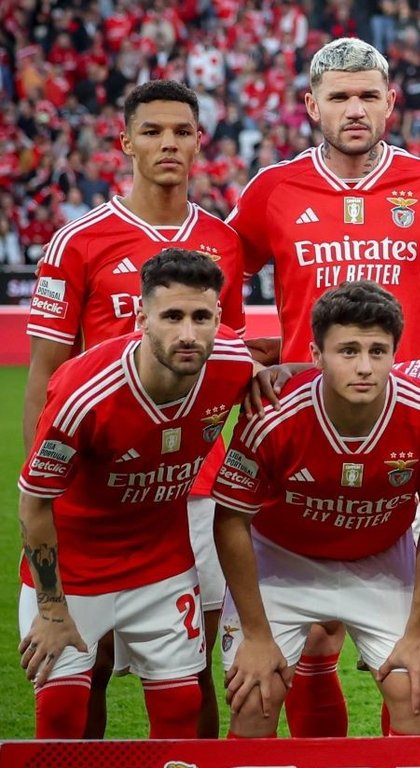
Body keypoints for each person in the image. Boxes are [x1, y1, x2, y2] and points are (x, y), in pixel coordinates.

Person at [226, 37, 420, 736]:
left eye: (368, 95)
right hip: (303, 423)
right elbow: (217, 272)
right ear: (312, 105)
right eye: (339, 96)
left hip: (409, 428)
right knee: (314, 642)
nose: (354, 108)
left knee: (413, 650)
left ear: (390, 103)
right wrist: (238, 355)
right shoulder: (273, 189)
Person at [22, 79, 247, 739]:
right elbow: (45, 371)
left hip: (193, 484)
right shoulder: (78, 242)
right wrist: (46, 483)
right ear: (125, 143)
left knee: (193, 669)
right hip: (100, 477)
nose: (168, 143)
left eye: (182, 131)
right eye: (152, 131)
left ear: (200, 143)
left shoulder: (223, 242)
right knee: (84, 664)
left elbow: (228, 353)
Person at [211, 281, 420, 737]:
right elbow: (232, 520)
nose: (365, 367)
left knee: (418, 694)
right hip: (281, 562)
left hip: (381, 559)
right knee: (254, 698)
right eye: (348, 351)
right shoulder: (272, 416)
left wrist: (417, 634)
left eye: (378, 351)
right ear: (316, 355)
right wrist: (256, 635)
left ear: (395, 353)